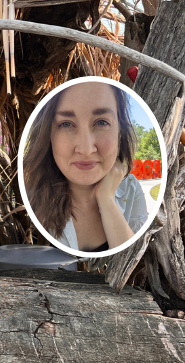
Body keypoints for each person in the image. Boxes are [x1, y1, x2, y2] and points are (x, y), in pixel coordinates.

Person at [22, 80, 149, 252]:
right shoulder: (31, 197)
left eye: (101, 122)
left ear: (120, 131)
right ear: (48, 135)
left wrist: (107, 199)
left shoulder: (131, 189)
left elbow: (133, 260)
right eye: (66, 124)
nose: (86, 149)